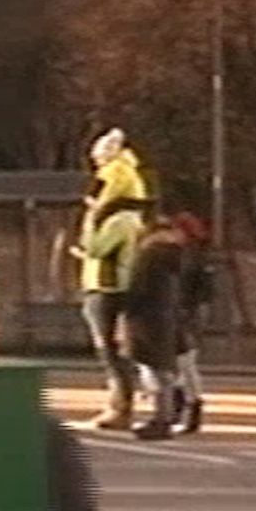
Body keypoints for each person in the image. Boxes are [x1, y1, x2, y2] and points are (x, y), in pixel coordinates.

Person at [72, 128, 153, 430]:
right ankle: (125, 401)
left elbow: (95, 248)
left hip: (106, 286)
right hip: (117, 284)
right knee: (118, 348)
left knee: (107, 348)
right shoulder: (133, 216)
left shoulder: (117, 219)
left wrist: (90, 221)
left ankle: (120, 406)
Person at [122, 214, 186, 440]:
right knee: (163, 370)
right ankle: (165, 416)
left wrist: (125, 313)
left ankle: (161, 419)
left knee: (151, 369)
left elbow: (137, 289)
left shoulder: (149, 255)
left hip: (146, 317)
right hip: (165, 316)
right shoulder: (175, 255)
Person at [169, 211, 214, 434]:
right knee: (179, 364)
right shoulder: (189, 254)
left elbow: (201, 291)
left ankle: (189, 408)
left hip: (186, 314)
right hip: (181, 313)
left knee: (184, 364)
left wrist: (192, 313)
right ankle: (181, 408)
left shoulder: (191, 256)